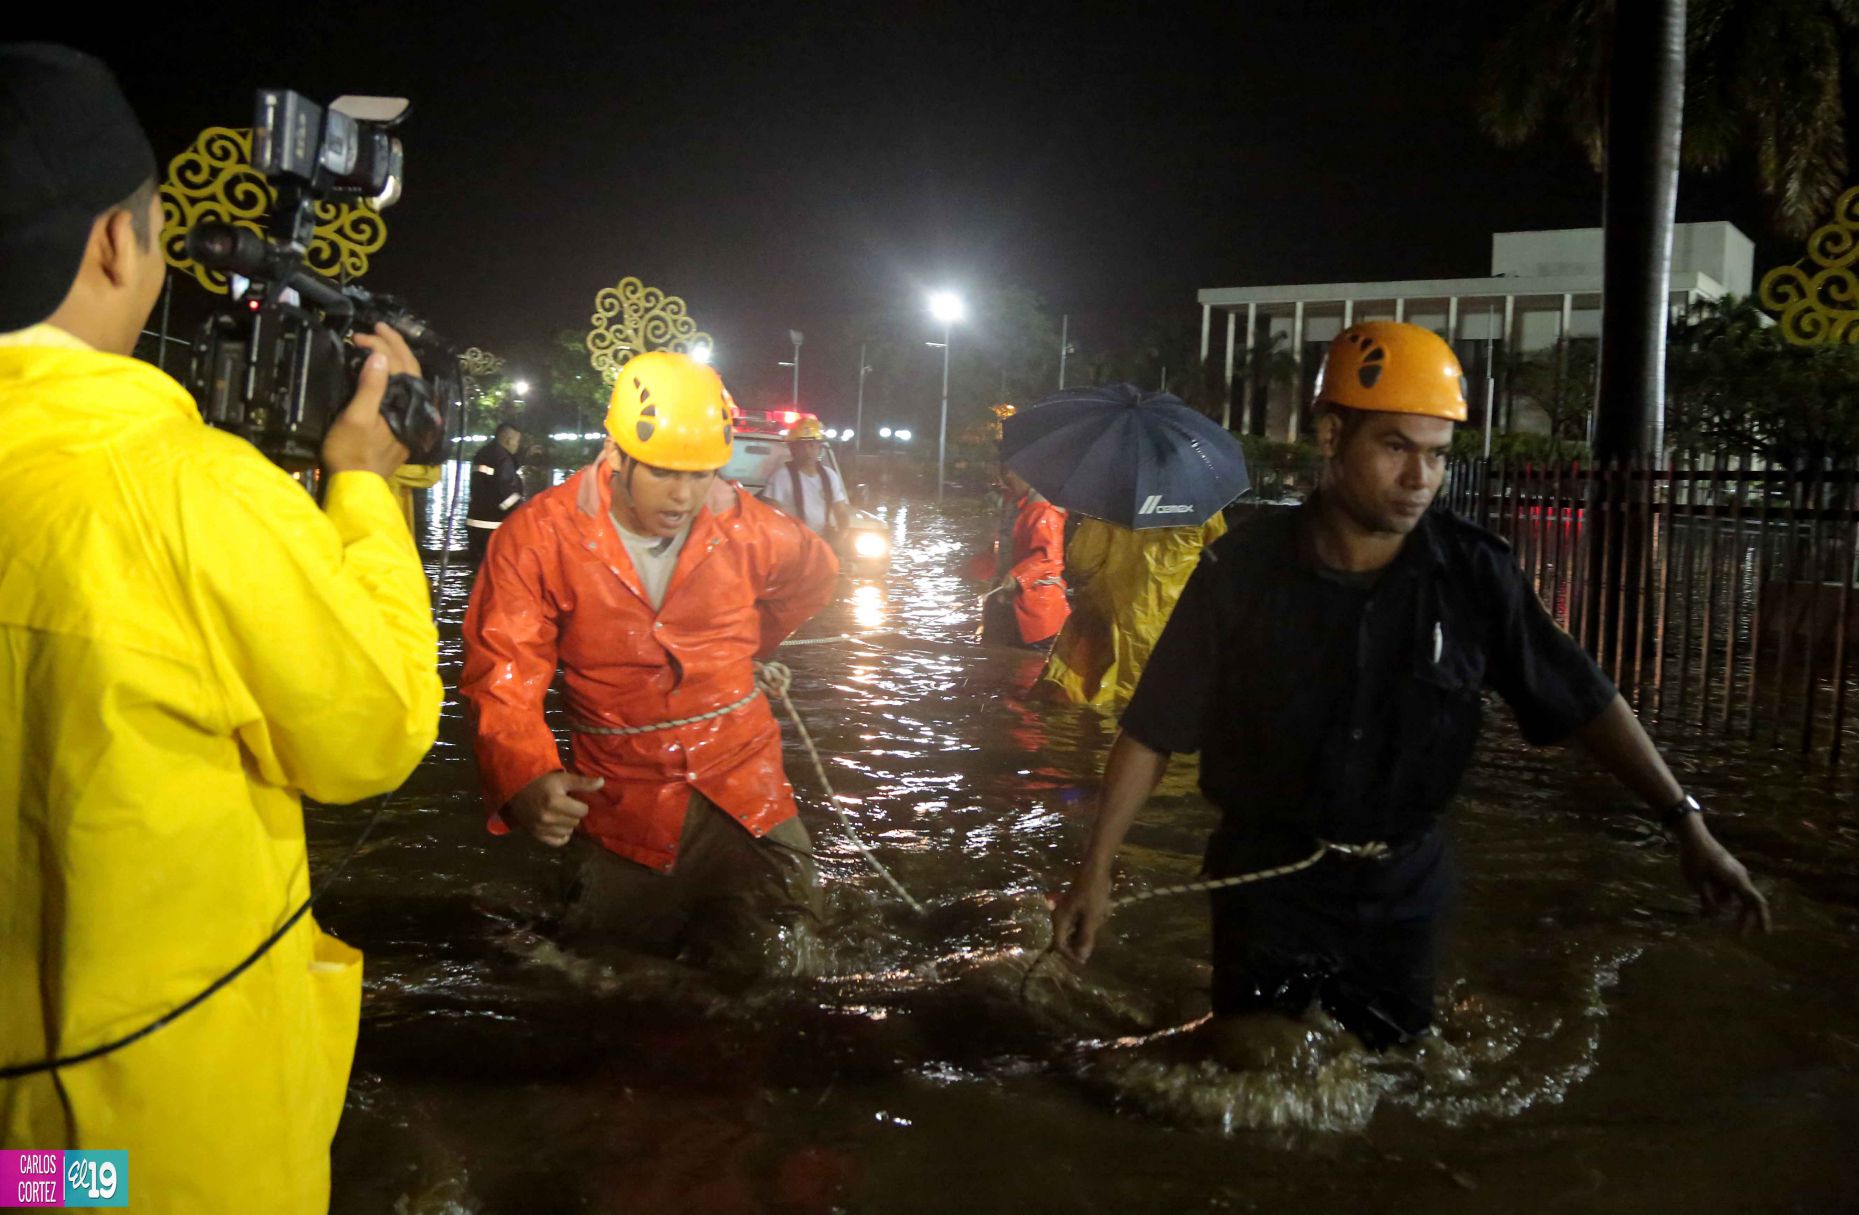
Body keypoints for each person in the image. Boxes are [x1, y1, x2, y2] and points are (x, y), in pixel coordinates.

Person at [1049, 321, 1769, 1054]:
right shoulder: (1240, 572)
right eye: (1395, 447)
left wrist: (1688, 826)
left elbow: (1583, 698)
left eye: (1435, 455)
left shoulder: (1473, 575)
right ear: (1331, 436)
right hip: (1266, 878)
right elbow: (1153, 728)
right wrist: (1096, 870)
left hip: (1404, 886)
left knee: (1394, 1072)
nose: (1419, 477)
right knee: (1250, 1064)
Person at [0, 45, 442, 1214]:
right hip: (134, 1153)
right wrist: (362, 485)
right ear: (112, 242)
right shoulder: (183, 489)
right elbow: (373, 731)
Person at [461, 351, 840, 973]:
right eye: (666, 474)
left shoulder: (755, 530)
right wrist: (525, 776)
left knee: (800, 965)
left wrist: (748, 648)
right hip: (621, 796)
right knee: (604, 978)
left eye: (702, 476)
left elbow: (816, 578)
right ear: (617, 456)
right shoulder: (538, 536)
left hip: (745, 781)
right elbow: (502, 668)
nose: (685, 496)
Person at [1037, 511, 1228, 709]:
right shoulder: (1201, 504)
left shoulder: (1114, 499)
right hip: (1177, 624)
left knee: (1102, 706)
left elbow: (1083, 561)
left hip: (1117, 620)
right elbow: (1219, 554)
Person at [980, 465, 1069, 649]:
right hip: (1007, 599)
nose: (1008, 476)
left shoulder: (1044, 510)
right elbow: (1007, 544)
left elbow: (1046, 556)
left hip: (1036, 608)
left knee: (1028, 670)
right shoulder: (1016, 503)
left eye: (1014, 471)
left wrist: (1017, 576)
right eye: (1006, 471)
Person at [761, 416, 850, 543]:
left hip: (821, 543)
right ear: (793, 449)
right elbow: (772, 515)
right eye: (801, 446)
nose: (807, 450)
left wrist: (841, 536)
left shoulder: (830, 477)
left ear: (819, 447)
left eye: (812, 445)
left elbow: (841, 511)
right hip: (791, 544)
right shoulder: (781, 477)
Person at [466, 419, 525, 564]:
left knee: (478, 569)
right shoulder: (503, 459)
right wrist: (521, 512)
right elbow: (507, 493)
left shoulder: (483, 453)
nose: (518, 445)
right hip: (493, 526)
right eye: (517, 441)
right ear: (508, 440)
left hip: (475, 523)